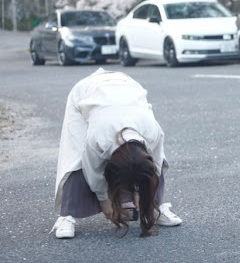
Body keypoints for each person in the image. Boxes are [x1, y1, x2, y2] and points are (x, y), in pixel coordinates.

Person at [50, 69, 182, 239]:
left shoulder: (152, 131)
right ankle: (66, 217)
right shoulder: (99, 136)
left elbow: (154, 165)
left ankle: (157, 208)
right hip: (87, 92)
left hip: (126, 86)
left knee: (154, 164)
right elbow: (93, 170)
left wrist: (141, 195)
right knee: (75, 158)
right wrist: (105, 200)